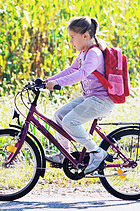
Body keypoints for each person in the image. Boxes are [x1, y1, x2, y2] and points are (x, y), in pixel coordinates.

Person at [45, 16, 114, 174]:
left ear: (85, 36)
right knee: (59, 116)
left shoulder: (94, 53)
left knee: (70, 121)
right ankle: (65, 154)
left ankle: (96, 152)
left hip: (101, 101)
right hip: (90, 98)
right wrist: (47, 81)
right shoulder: (84, 52)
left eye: (72, 37)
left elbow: (82, 73)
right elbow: (71, 70)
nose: (71, 41)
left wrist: (59, 83)